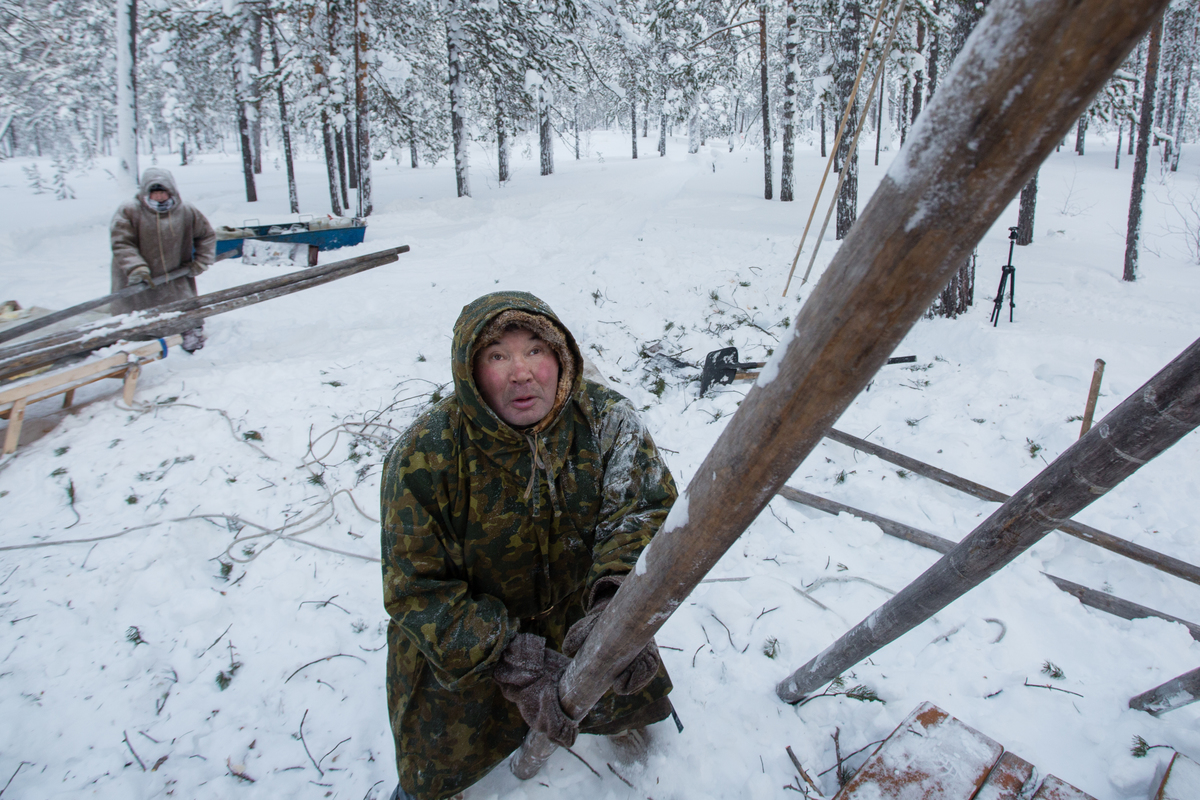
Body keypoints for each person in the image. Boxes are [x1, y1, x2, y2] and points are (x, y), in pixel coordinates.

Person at [380, 291, 678, 800]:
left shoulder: (608, 422)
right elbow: (417, 588)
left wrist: (618, 613)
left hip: (577, 620)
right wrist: (511, 655)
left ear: (560, 356)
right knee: (436, 758)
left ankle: (617, 721)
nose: (521, 372)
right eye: (498, 355)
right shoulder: (424, 455)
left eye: (535, 350)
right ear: (470, 371)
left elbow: (642, 515)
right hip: (474, 639)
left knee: (619, 679)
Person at [109, 167, 215, 352]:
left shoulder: (186, 211)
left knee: (183, 309)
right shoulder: (129, 211)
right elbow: (122, 243)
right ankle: (138, 342)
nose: (159, 196)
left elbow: (206, 235)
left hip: (174, 273)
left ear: (171, 191)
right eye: (154, 193)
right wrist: (136, 267)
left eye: (162, 192)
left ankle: (190, 333)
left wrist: (201, 260)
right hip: (139, 275)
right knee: (137, 316)